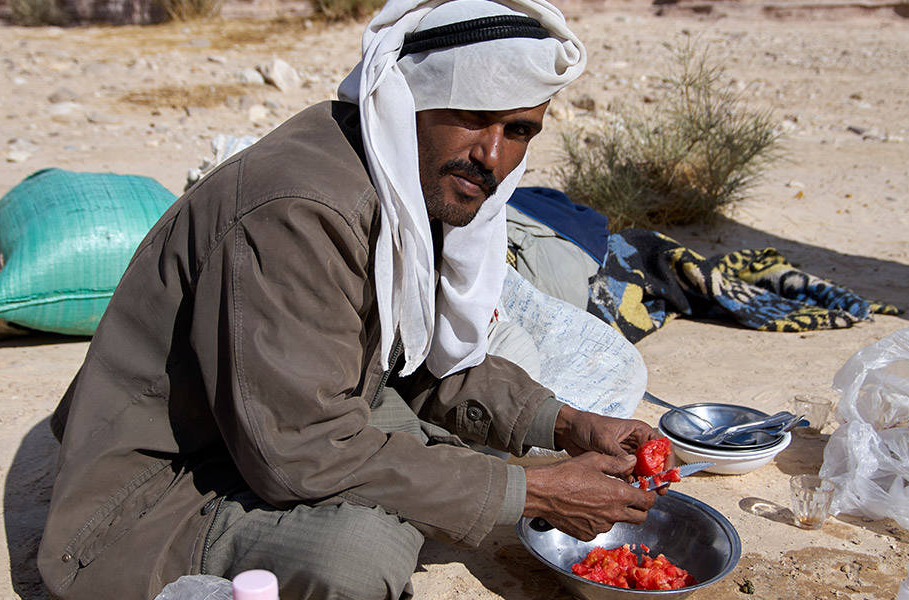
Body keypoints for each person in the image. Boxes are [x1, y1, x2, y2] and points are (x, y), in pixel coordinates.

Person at [37, 0, 669, 598]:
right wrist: (537, 492)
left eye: (519, 129)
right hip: (159, 488)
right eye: (474, 116)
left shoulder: (414, 174)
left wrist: (567, 425)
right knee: (363, 556)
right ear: (415, 96)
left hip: (296, 415)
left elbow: (417, 352)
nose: (493, 156)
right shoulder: (301, 210)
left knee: (461, 470)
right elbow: (300, 450)